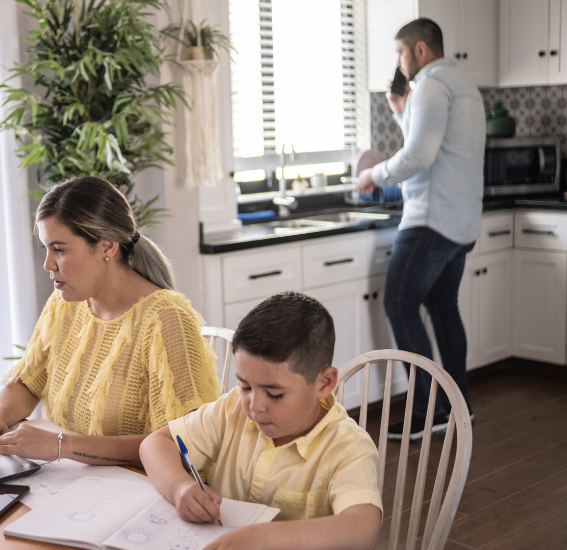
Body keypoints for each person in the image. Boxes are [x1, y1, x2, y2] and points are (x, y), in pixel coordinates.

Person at [0, 176, 221, 467]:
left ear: (106, 248)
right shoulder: (66, 303)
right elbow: (27, 382)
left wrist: (61, 446)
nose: (48, 264)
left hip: (139, 490)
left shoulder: (166, 319)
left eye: (59, 249)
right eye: (46, 249)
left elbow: (180, 443)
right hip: (73, 479)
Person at [139, 292, 382, 550]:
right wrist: (180, 488)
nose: (254, 406)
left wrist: (264, 537)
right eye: (245, 386)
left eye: (275, 394)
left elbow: (363, 528)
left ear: (324, 383)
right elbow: (156, 442)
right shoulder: (232, 408)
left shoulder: (347, 447)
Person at [356, 17, 484, 441]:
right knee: (444, 307)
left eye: (400, 53)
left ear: (420, 50)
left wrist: (373, 175)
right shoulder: (462, 83)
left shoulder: (430, 83)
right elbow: (433, 144)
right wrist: (399, 114)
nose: (399, 62)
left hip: (430, 221)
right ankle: (457, 406)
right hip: (461, 223)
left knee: (399, 304)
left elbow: (417, 157)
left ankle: (429, 411)